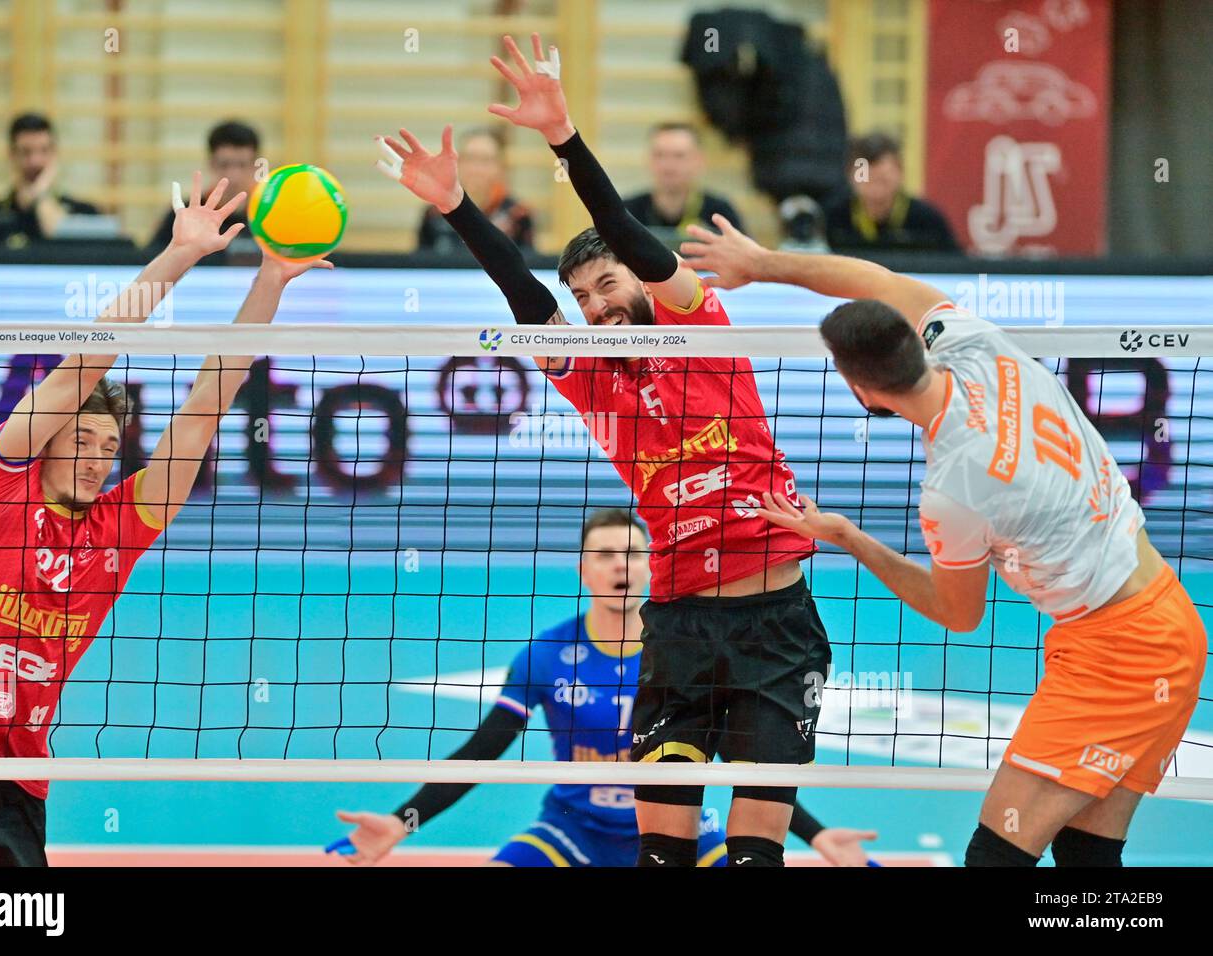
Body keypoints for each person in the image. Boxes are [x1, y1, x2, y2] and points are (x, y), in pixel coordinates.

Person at [373, 33, 831, 868]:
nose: (595, 306)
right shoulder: (587, 378)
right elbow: (519, 288)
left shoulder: (699, 327)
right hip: (683, 626)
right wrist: (454, 206)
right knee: (662, 859)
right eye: (582, 298)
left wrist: (562, 137)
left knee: (756, 859)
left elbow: (616, 221)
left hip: (776, 626)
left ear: (643, 282)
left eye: (607, 285)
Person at [679, 215, 1208, 867]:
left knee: (996, 855)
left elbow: (959, 613)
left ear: (861, 389)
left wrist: (848, 537)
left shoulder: (955, 488)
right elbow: (875, 279)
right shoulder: (976, 344)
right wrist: (762, 263)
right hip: (1164, 618)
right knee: (1086, 856)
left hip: (1121, 655)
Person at [0, 174, 332, 867]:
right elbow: (83, 369)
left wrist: (272, 280)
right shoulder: (0, 482)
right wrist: (179, 256)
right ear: (45, 437)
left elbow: (206, 404)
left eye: (109, 449)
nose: (96, 460)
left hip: (17, 790)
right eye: (81, 440)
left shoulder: (118, 528)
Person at [329, 509, 876, 867]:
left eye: (635, 554)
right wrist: (404, 821)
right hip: (573, 832)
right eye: (605, 556)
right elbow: (483, 750)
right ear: (583, 571)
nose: (621, 566)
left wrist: (818, 835)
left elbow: (750, 763)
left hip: (687, 831)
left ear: (656, 568)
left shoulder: (691, 656)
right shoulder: (545, 655)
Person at [0, 113, 101, 248]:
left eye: (44, 151)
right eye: (26, 152)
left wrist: (41, 195)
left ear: (55, 154)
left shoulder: (85, 214)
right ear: (11, 156)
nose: (35, 162)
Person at [822, 133, 958, 254]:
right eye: (867, 177)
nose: (875, 185)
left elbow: (956, 267)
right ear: (849, 175)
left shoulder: (929, 221)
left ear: (900, 173)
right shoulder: (832, 218)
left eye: (883, 179)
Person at [146, 121, 261, 257]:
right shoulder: (186, 212)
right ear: (211, 163)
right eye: (224, 165)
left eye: (241, 165)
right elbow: (153, 257)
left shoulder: (269, 213)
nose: (233, 175)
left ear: (255, 166)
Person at [416, 127, 534, 253]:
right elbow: (423, 265)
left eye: (485, 160)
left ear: (500, 167)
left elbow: (528, 265)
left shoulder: (517, 214)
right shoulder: (435, 213)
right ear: (457, 163)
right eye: (470, 158)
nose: (476, 169)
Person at [623, 122, 745, 243]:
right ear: (648, 160)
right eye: (659, 155)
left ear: (699, 160)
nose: (668, 165)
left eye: (679, 156)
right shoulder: (626, 212)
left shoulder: (720, 213)